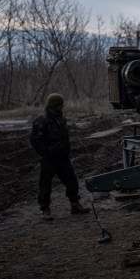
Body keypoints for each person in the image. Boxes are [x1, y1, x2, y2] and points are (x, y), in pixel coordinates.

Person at [30, 93, 90, 221]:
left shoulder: (61, 118)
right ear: (54, 105)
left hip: (63, 158)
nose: (62, 106)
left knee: (72, 182)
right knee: (45, 185)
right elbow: (35, 140)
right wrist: (46, 153)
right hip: (49, 159)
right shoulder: (41, 119)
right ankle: (45, 210)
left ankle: (75, 205)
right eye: (60, 104)